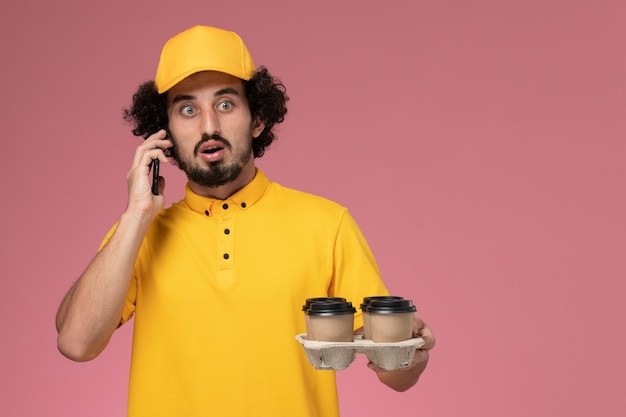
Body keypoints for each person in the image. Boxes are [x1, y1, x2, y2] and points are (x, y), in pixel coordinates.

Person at [55, 25, 435, 417]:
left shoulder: (326, 224)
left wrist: (412, 355)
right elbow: (76, 344)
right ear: (164, 134)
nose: (208, 127)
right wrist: (136, 214)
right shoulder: (138, 235)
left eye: (225, 105)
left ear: (257, 120)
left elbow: (395, 372)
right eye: (188, 109)